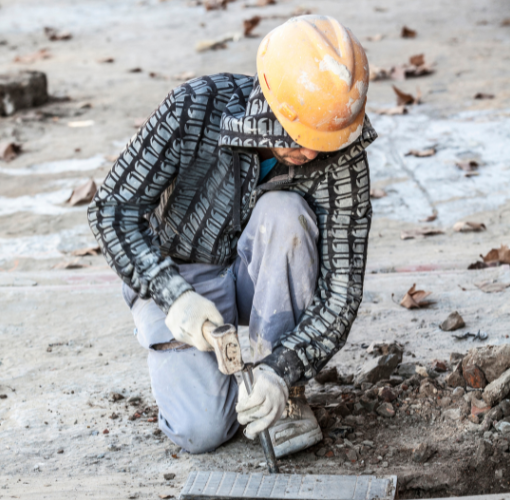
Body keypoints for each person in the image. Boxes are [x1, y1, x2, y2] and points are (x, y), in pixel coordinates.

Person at [88, 15, 377, 457]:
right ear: (269, 93)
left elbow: (341, 291)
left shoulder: (342, 152)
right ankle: (201, 367)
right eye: (300, 136)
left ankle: (280, 394)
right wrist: (171, 294)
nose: (313, 153)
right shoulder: (195, 108)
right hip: (182, 273)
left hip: (261, 276)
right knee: (201, 431)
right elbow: (112, 209)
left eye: (325, 140)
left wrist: (284, 368)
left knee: (286, 214)